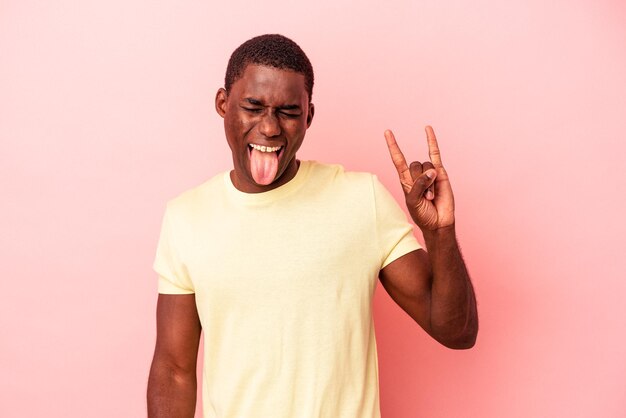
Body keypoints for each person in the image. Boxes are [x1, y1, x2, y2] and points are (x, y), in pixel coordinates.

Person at [147, 34, 478, 418]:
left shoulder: (360, 200)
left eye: (288, 111)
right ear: (223, 104)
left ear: (308, 116)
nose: (270, 128)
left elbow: (457, 332)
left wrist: (440, 233)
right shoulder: (187, 217)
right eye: (253, 107)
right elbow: (173, 371)